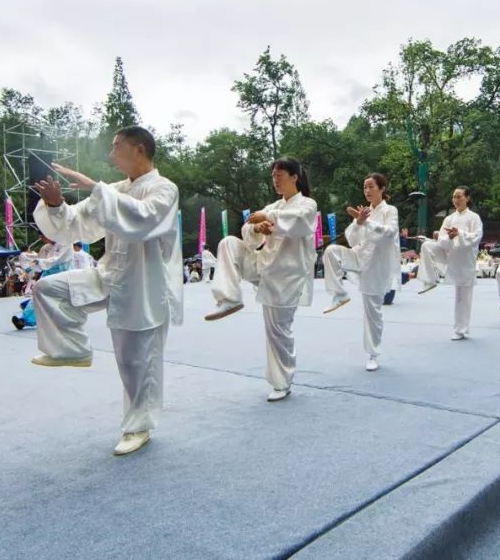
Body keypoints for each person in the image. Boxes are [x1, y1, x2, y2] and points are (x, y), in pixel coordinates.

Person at [29, 126, 183, 456]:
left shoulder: (164, 189)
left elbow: (144, 220)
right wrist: (56, 205)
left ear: (139, 149)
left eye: (117, 147)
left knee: (136, 363)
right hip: (108, 274)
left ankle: (138, 426)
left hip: (143, 285)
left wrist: (95, 188)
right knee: (48, 289)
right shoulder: (112, 189)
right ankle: (71, 348)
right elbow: (77, 224)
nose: (111, 154)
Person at [207, 157, 317, 402]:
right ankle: (229, 298)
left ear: (294, 177)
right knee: (228, 244)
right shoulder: (274, 205)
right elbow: (247, 232)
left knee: (277, 330)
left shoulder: (308, 204)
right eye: (273, 176)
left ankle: (282, 382)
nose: (275, 180)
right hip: (263, 265)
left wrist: (268, 218)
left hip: (287, 276)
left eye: (279, 175)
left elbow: (298, 222)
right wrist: (258, 229)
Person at [322, 173, 400, 371]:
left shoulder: (390, 211)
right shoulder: (364, 212)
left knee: (372, 311)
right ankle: (339, 294)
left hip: (376, 265)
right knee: (331, 251)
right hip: (358, 256)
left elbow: (388, 234)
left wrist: (365, 222)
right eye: (364, 187)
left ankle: (373, 354)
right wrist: (358, 222)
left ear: (382, 188)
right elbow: (352, 238)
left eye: (371, 186)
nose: (367, 190)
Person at [417, 186, 484, 340]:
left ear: (467, 198)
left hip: (465, 259)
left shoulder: (474, 217)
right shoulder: (449, 218)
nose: (456, 199)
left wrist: (459, 234)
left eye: (459, 196)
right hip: (450, 253)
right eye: (454, 196)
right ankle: (430, 279)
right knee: (427, 245)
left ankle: (461, 329)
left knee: (463, 296)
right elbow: (442, 239)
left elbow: (476, 237)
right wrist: (447, 237)